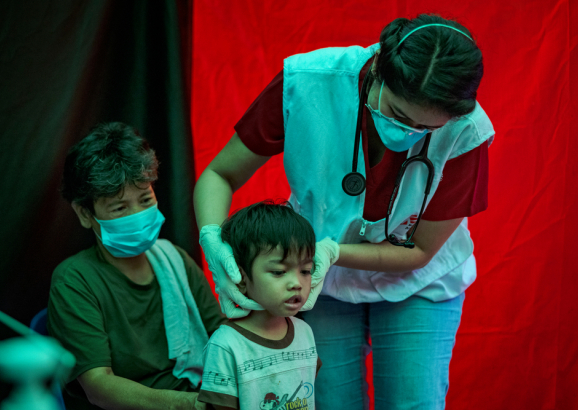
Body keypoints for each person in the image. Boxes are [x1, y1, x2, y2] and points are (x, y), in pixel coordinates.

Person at [193, 13, 494, 410]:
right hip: (320, 282)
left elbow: (418, 252)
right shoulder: (308, 82)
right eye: (400, 115)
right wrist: (212, 238)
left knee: (414, 403)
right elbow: (220, 174)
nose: (408, 134)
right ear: (379, 71)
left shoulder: (468, 131)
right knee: (330, 402)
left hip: (420, 281)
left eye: (427, 128)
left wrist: (330, 249)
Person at [48, 122, 225, 410]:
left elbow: (221, 336)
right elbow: (99, 387)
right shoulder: (75, 281)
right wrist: (193, 405)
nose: (138, 215)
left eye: (145, 199)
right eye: (120, 208)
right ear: (84, 213)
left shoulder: (175, 260)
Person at [197, 200, 322, 410]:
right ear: (241, 277)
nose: (296, 283)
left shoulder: (305, 332)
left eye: (305, 271)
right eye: (278, 272)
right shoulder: (226, 345)